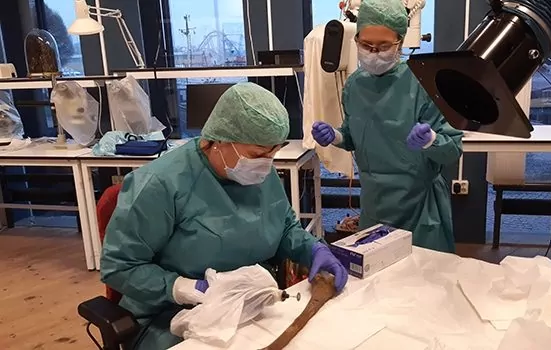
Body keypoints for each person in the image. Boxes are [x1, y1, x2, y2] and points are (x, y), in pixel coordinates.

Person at [101, 82, 348, 350]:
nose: (266, 162)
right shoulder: (160, 185)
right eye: (257, 154)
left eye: (274, 152)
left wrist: (312, 250)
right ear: (218, 141)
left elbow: (284, 227)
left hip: (250, 305)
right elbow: (120, 266)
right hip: (171, 317)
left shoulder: (258, 173)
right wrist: (183, 287)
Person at [311, 0, 463, 253]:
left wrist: (431, 140)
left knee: (424, 284)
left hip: (419, 208)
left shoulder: (422, 84)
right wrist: (336, 136)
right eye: (366, 45)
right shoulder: (355, 85)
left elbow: (452, 149)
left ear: (400, 43)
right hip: (375, 204)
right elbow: (354, 135)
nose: (373, 52)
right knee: (376, 280)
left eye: (383, 46)